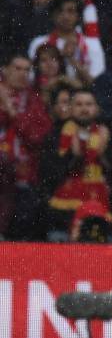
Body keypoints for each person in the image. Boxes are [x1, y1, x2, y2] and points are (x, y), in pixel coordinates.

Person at [40, 87, 112, 241]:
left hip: (101, 213)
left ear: (97, 109)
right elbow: (47, 176)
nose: (84, 109)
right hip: (62, 217)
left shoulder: (108, 137)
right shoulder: (56, 136)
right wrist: (73, 156)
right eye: (79, 104)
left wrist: (102, 155)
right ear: (71, 108)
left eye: (89, 104)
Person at [0, 54, 51, 240]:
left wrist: (11, 110)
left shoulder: (33, 101)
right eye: (17, 68)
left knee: (19, 232)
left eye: (26, 70)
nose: (22, 74)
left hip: (23, 177)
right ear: (4, 70)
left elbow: (37, 137)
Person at [28, 0, 106, 84]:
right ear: (53, 15)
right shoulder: (39, 43)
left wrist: (71, 59)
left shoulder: (92, 43)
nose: (65, 16)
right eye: (60, 11)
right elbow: (31, 78)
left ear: (78, 16)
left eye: (71, 11)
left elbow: (97, 83)